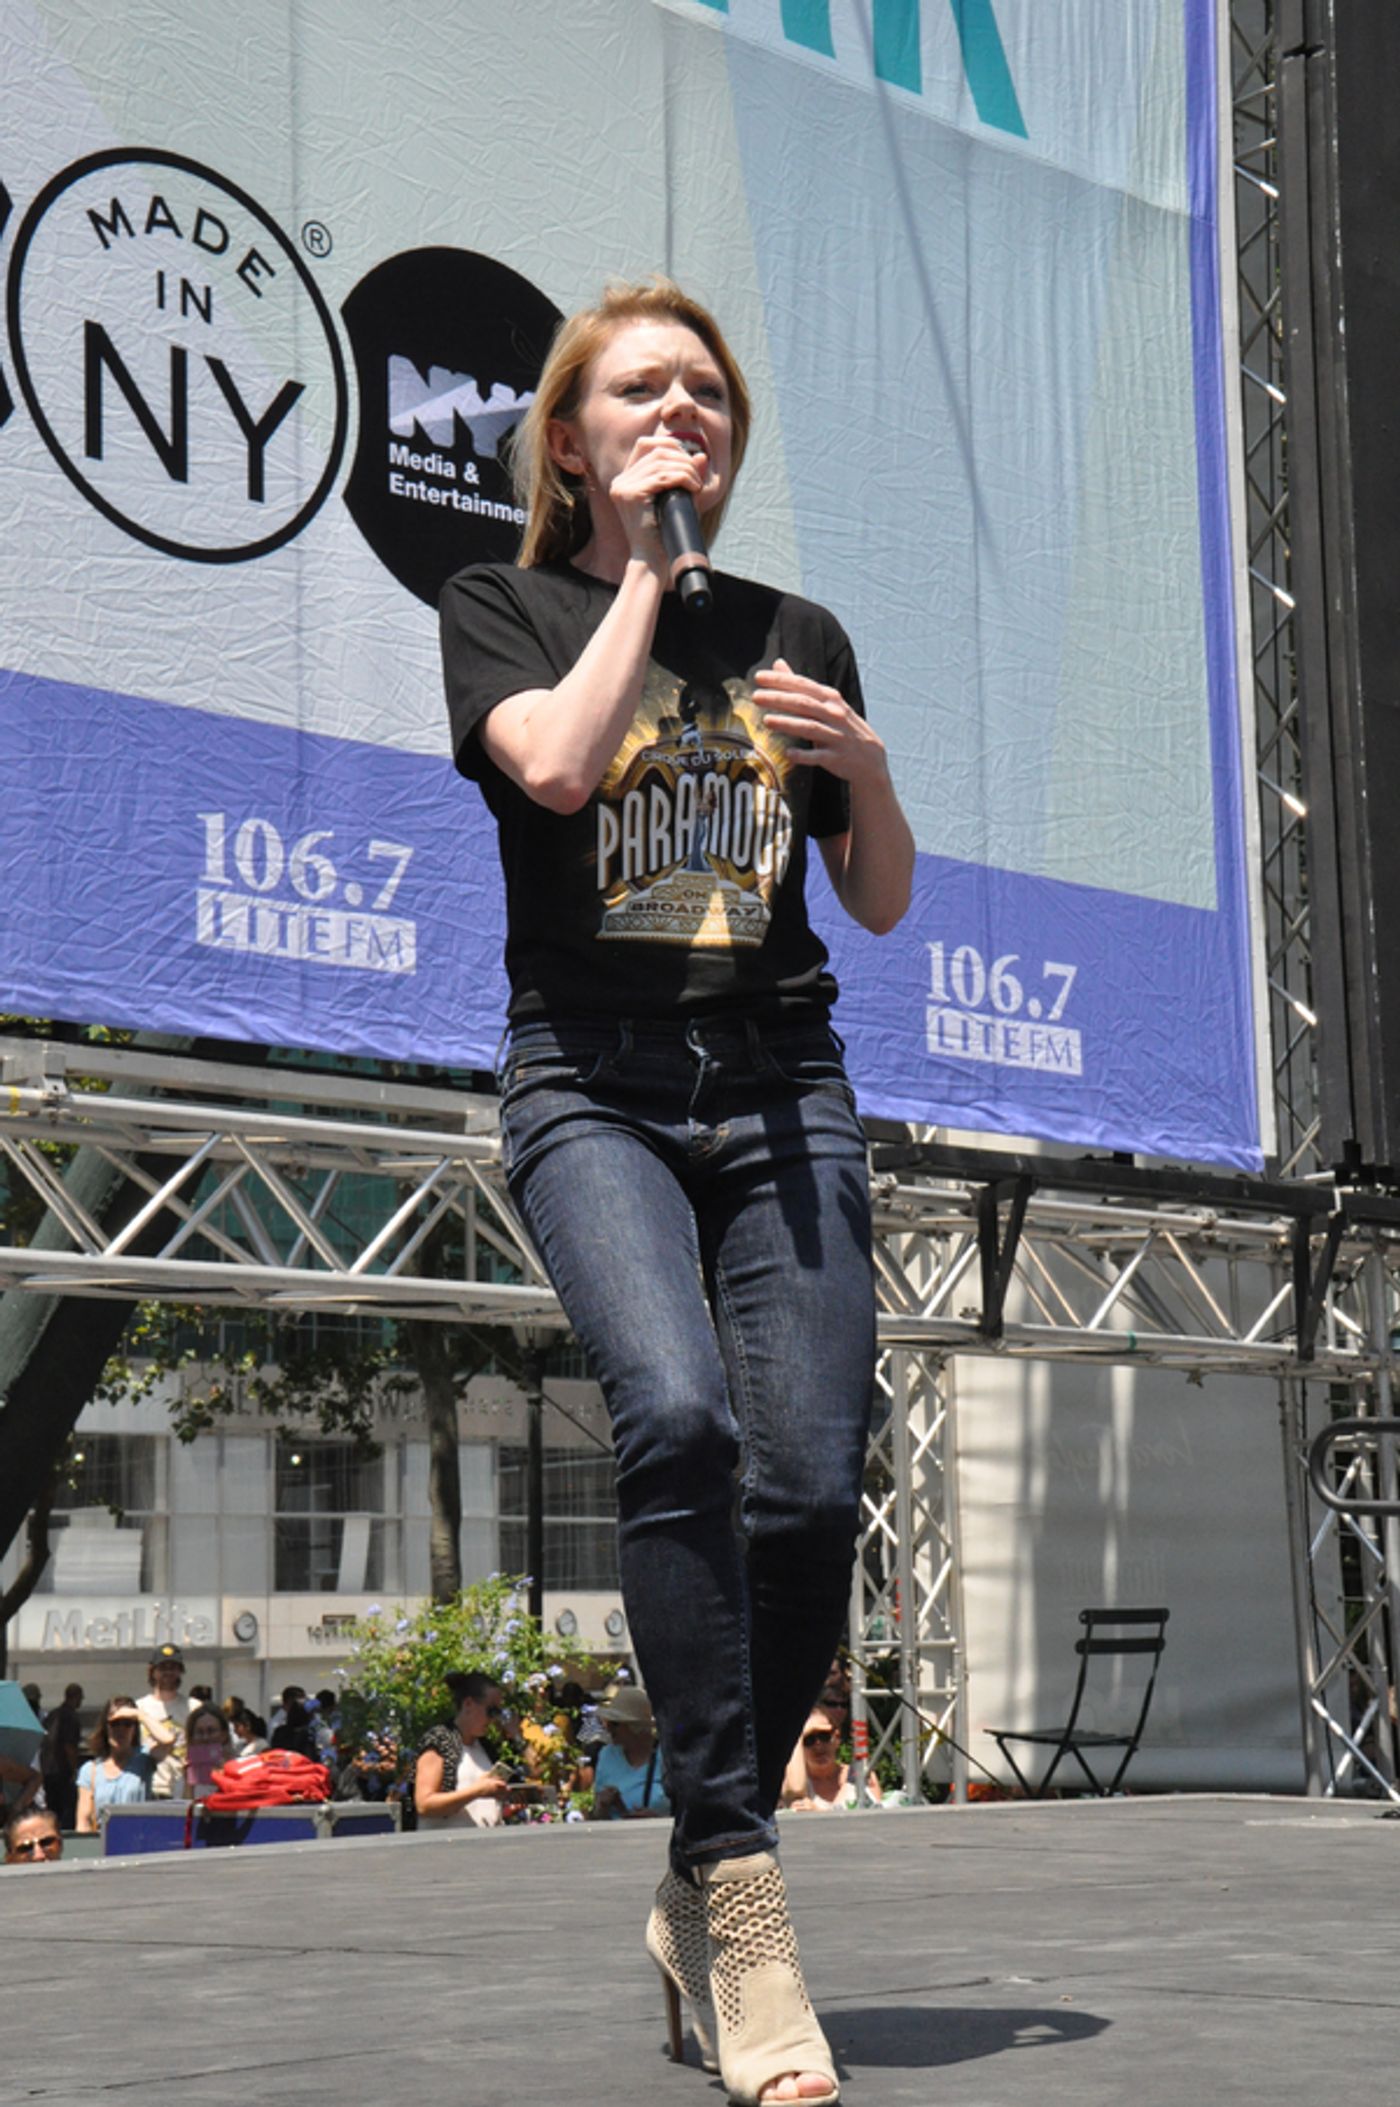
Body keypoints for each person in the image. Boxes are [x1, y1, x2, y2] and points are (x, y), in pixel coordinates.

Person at [440, 275, 913, 2106]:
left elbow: (868, 898)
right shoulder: (511, 604)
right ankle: (738, 1888)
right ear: (570, 437)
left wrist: (866, 771)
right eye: (638, 393)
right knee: (680, 1422)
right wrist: (643, 577)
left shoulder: (802, 629)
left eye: (704, 395)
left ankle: (700, 1858)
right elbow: (555, 765)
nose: (679, 417)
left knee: (808, 1482)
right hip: (595, 1088)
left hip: (783, 1080)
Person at [413, 1672, 514, 1829]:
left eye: (498, 1713)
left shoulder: (486, 1747)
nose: (494, 1719)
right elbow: (424, 1804)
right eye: (491, 1711)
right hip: (447, 1847)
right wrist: (477, 1791)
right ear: (468, 1704)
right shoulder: (439, 1741)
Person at [780, 1707, 881, 1814]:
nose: (818, 1745)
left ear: (837, 1738)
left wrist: (818, 1812)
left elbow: (878, 1817)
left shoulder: (861, 1774)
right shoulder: (796, 1783)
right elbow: (794, 1791)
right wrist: (798, 1734)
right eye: (809, 1739)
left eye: (824, 1736)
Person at [589, 1686, 670, 1820]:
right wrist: (603, 1806)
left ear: (635, 1727)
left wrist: (658, 1819)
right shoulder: (606, 1756)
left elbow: (687, 1811)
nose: (608, 1728)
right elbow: (597, 1817)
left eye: (615, 1723)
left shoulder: (668, 1757)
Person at [76, 1698, 155, 1830]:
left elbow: (168, 1740)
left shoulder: (144, 1759)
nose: (121, 1729)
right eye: (115, 1723)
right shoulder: (90, 1770)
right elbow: (83, 1821)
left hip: (136, 1841)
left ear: (135, 1729)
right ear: (105, 1727)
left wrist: (140, 1715)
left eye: (127, 1724)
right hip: (102, 1844)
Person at [135, 1643, 192, 1798]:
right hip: (146, 1789)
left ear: (180, 1671)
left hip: (181, 1790)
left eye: (173, 1667)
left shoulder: (194, 1708)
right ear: (152, 1671)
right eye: (163, 1667)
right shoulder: (139, 1708)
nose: (168, 1672)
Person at [39, 1682, 84, 1831]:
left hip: (48, 1770)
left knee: (52, 1809)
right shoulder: (71, 1717)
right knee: (66, 1811)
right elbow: (69, 1746)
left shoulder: (52, 1714)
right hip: (62, 1771)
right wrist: (74, 1770)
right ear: (75, 1697)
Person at [184, 1705, 232, 1801]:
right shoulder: (184, 1776)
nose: (205, 1737)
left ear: (224, 1734)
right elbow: (181, 1809)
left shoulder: (238, 1769)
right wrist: (188, 1782)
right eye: (199, 1732)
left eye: (211, 1731)